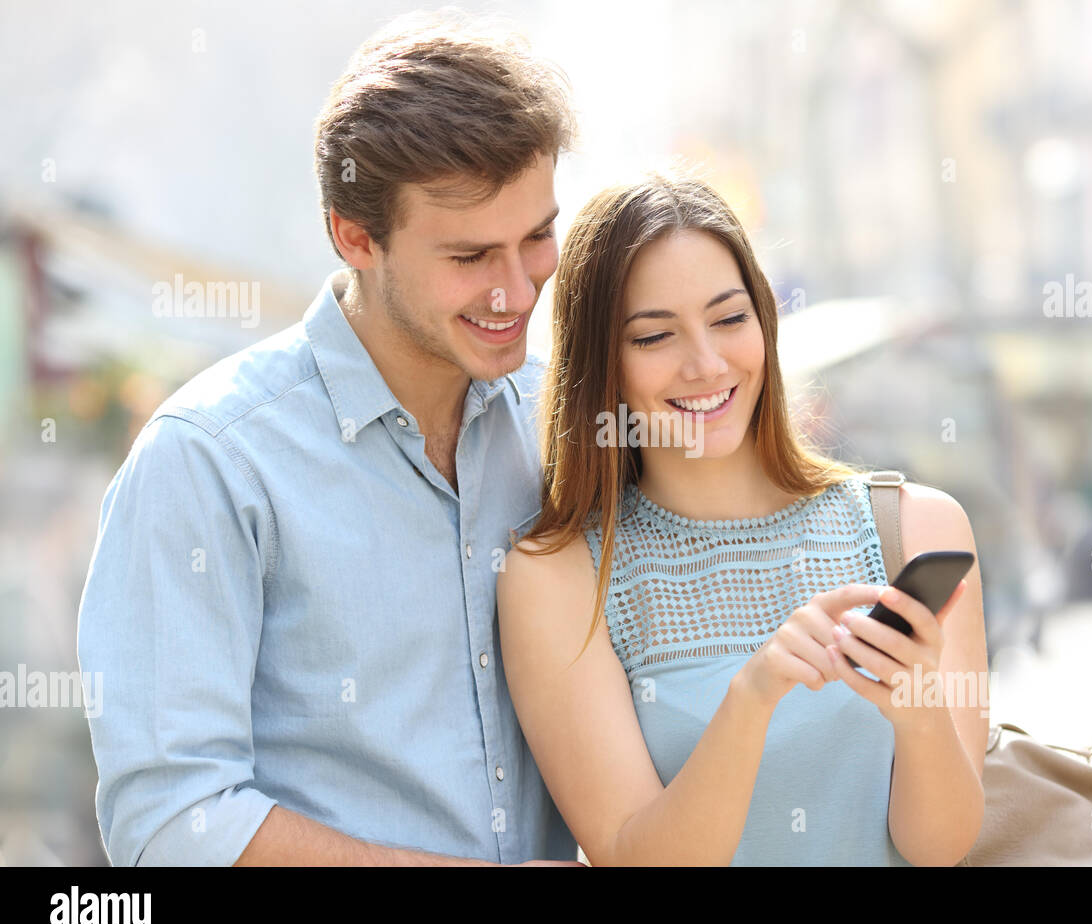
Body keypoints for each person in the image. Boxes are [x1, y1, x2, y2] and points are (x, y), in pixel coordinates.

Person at [76, 10, 581, 866]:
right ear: (355, 236)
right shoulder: (208, 462)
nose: (516, 290)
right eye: (468, 256)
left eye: (536, 237)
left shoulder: (562, 422)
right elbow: (172, 826)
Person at [497, 173, 988, 866]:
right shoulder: (557, 576)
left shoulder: (916, 530)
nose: (706, 363)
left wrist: (916, 710)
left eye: (729, 319)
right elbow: (637, 857)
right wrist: (753, 696)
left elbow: (940, 848)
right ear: (600, 366)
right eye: (654, 336)